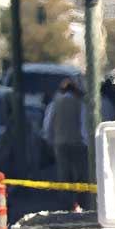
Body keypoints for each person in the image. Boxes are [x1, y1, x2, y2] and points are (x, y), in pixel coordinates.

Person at [42, 78, 88, 208]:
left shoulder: (55, 103)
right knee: (80, 174)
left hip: (60, 142)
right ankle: (80, 203)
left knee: (63, 173)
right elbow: (83, 123)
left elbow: (48, 123)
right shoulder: (80, 103)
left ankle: (66, 203)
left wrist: (49, 139)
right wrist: (85, 141)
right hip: (78, 142)